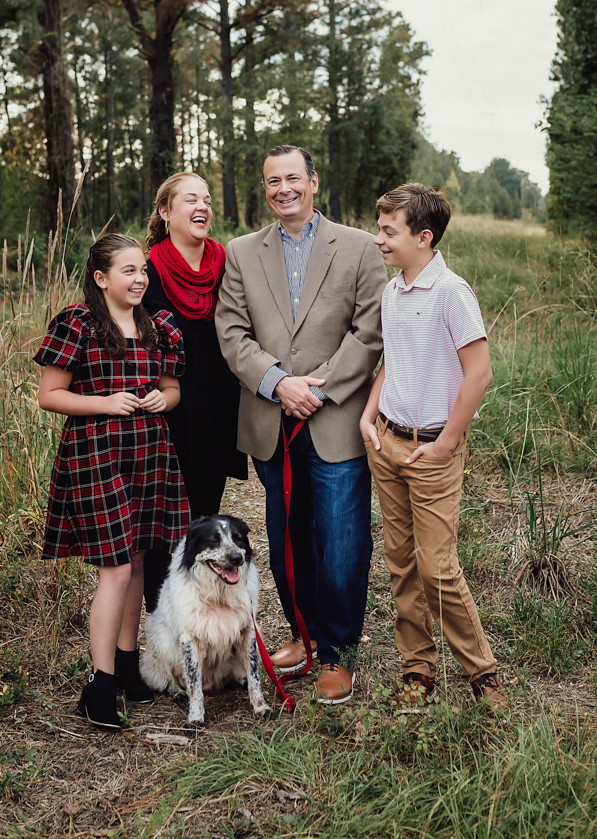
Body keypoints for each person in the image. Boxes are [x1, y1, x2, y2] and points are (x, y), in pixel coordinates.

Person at [216, 144, 388, 705]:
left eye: (293, 178)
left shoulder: (360, 248)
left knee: (341, 541)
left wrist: (317, 388)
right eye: (272, 181)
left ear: (314, 182)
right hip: (272, 420)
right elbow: (232, 332)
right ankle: (304, 635)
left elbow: (368, 332)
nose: (282, 189)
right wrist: (278, 383)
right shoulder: (241, 253)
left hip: (333, 419)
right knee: (290, 536)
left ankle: (338, 654)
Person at [359, 183, 506, 710]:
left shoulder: (452, 293)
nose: (379, 239)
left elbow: (479, 374)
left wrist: (445, 444)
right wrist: (368, 413)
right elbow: (391, 363)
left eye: (388, 231)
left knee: (437, 567)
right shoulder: (392, 290)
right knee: (400, 562)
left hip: (431, 451)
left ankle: (482, 674)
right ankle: (417, 670)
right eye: (380, 228)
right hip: (389, 443)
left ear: (423, 238)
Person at [34, 233, 189, 730]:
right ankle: (98, 686)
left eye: (143, 270)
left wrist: (164, 400)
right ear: (101, 278)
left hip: (148, 453)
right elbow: (50, 394)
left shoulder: (158, 326)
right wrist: (105, 402)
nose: (140, 278)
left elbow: (172, 387)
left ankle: (127, 665)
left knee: (139, 559)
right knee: (117, 569)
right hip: (96, 455)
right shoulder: (78, 324)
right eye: (128, 270)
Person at [141, 173, 248, 612]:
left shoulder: (228, 263)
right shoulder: (144, 271)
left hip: (218, 406)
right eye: (191, 200)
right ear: (165, 211)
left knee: (205, 514)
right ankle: (159, 616)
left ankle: (201, 615)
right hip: (165, 409)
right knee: (160, 522)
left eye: (207, 198)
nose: (203, 206)